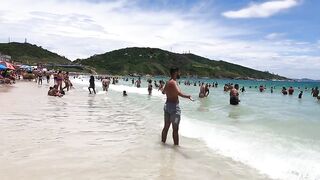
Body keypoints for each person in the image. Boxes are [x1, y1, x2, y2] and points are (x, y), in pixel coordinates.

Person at [161, 68, 193, 146]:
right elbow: (179, 93)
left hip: (167, 107)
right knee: (175, 129)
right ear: (175, 73)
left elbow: (163, 92)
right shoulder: (174, 82)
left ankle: (162, 144)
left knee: (166, 127)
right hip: (174, 110)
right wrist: (188, 96)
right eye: (179, 72)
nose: (179, 74)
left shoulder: (168, 82)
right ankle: (176, 148)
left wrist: (164, 89)